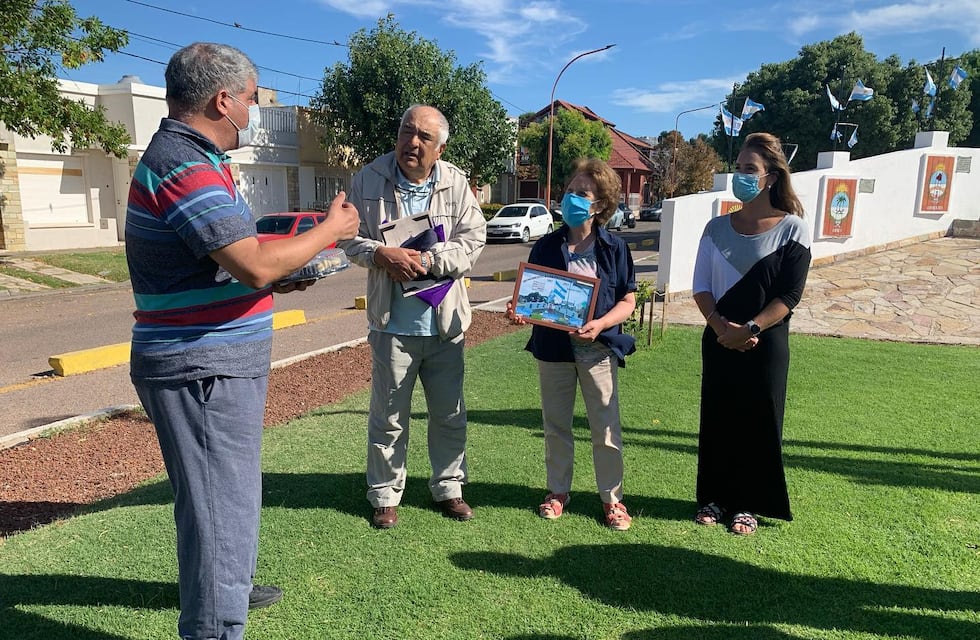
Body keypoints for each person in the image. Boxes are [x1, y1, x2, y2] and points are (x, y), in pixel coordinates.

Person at [125, 42, 359, 639]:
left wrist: (287, 271)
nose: (253, 113)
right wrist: (330, 230)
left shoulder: (193, 159)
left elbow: (233, 264)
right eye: (251, 100)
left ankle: (231, 587)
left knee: (219, 501)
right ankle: (215, 623)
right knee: (218, 509)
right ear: (222, 99)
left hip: (209, 361)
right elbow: (252, 264)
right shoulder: (184, 163)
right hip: (202, 367)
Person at [338, 104, 486, 529]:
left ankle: (449, 488)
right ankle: (385, 494)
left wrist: (431, 259)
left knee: (449, 413)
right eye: (407, 131)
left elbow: (474, 239)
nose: (412, 143)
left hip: (445, 326)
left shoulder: (456, 182)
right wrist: (380, 253)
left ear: (439, 149)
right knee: (388, 417)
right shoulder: (368, 178)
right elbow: (348, 239)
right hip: (392, 325)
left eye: (424, 137)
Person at [506, 158, 637, 531]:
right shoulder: (546, 246)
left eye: (582, 194)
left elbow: (627, 300)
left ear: (600, 205)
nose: (571, 199)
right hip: (553, 350)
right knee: (556, 425)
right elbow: (532, 298)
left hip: (597, 351)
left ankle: (613, 500)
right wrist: (519, 312)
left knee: (606, 429)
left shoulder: (614, 248)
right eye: (569, 192)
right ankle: (558, 491)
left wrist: (599, 325)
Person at [691, 132, 812, 535]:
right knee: (719, 417)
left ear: (772, 177)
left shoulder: (793, 229)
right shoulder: (715, 228)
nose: (740, 176)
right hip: (720, 336)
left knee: (758, 420)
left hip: (767, 341)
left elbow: (791, 295)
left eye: (749, 170)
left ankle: (748, 504)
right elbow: (702, 287)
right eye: (738, 168)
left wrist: (752, 327)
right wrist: (723, 329)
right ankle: (713, 497)